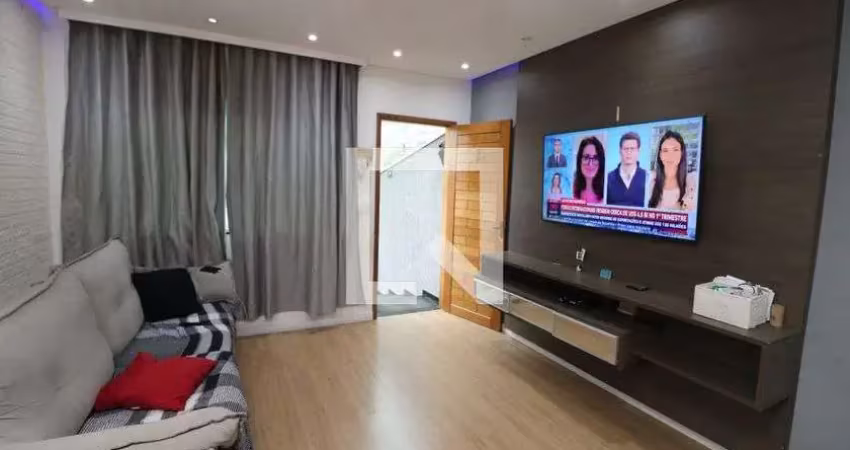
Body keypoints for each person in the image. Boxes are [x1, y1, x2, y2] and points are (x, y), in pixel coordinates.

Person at [648, 130, 697, 211]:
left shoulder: (692, 179)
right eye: (665, 150)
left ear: (682, 153)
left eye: (675, 150)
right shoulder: (650, 180)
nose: (670, 155)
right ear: (660, 155)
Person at [607, 132, 647, 207]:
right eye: (625, 149)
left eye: (632, 149)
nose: (629, 152)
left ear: (638, 151)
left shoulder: (647, 178)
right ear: (620, 151)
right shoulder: (608, 178)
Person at [573, 136, 605, 204]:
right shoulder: (571, 188)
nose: (590, 164)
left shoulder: (608, 191)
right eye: (586, 157)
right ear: (579, 160)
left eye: (595, 158)